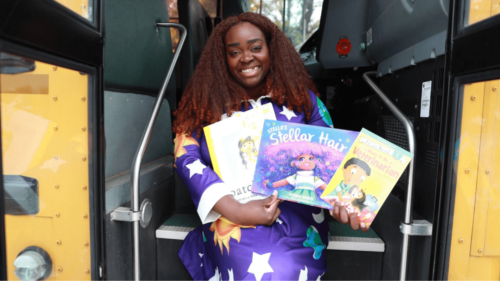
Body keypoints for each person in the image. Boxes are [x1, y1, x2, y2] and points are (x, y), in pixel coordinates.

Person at [173, 12, 367, 281]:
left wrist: (346, 200)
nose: (246, 58)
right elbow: (186, 157)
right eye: (234, 52)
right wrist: (235, 210)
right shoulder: (205, 103)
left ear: (271, 49)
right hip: (232, 214)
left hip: (296, 216)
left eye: (255, 47)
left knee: (285, 270)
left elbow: (331, 152)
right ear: (222, 58)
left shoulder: (302, 99)